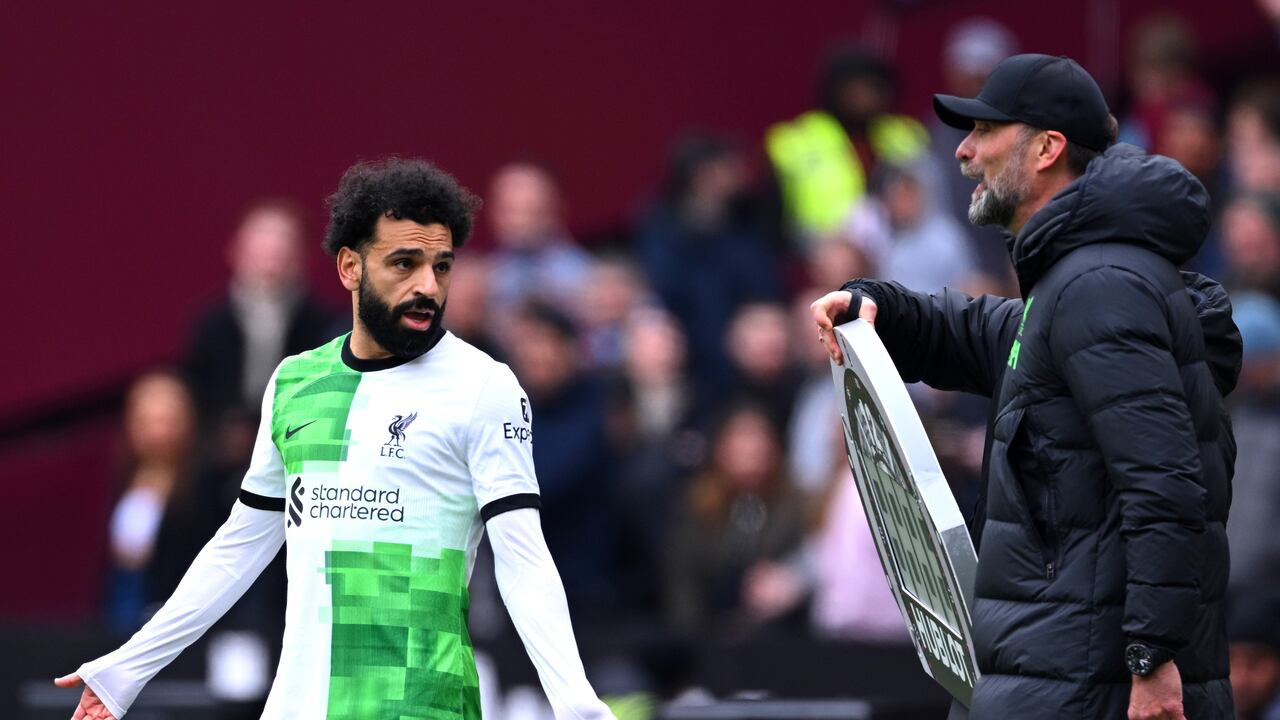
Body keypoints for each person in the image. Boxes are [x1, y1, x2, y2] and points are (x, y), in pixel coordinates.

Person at [57, 158, 615, 720]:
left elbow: (524, 560)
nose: (428, 285)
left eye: (441, 266)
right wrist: (124, 671)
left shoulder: (484, 386)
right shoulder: (295, 382)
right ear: (350, 267)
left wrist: (577, 705)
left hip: (421, 705)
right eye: (404, 263)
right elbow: (238, 549)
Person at [811, 54, 1239, 719]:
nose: (963, 151)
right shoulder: (1085, 277)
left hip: (1087, 685)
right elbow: (988, 333)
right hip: (1063, 672)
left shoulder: (1099, 284)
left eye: (986, 131)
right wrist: (876, 306)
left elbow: (1164, 483)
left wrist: (1152, 659)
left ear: (1047, 148)